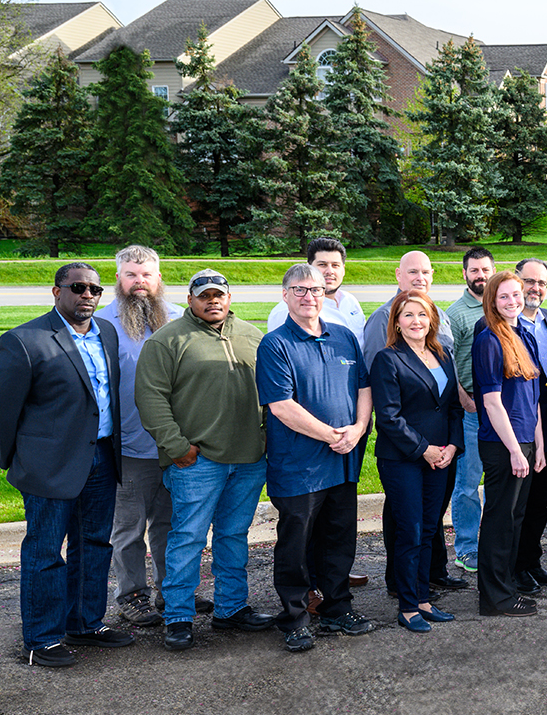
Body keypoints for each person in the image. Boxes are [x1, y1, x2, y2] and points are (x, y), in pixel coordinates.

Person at [0, 263, 135, 667]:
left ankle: (84, 623)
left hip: (102, 457)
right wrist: (16, 460)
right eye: (78, 287)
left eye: (95, 289)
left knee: (94, 545)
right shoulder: (24, 340)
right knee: (46, 552)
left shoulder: (106, 331)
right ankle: (41, 639)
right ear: (56, 291)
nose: (88, 295)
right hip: (47, 465)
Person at [133, 268, 273, 651]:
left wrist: (264, 437)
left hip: (248, 459)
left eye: (219, 295)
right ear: (191, 300)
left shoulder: (252, 336)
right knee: (188, 538)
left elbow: (274, 390)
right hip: (197, 462)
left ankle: (230, 609)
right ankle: (178, 616)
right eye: (204, 295)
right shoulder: (167, 341)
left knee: (233, 536)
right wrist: (177, 447)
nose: (213, 301)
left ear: (229, 298)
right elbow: (151, 398)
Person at [255, 264, 376, 652]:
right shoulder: (275, 345)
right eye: (300, 290)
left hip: (342, 461)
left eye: (317, 290)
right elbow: (280, 406)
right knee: (296, 544)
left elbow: (364, 388)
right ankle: (294, 617)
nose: (309, 297)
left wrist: (357, 431)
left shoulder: (342, 337)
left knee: (339, 539)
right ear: (285, 294)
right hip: (299, 466)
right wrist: (331, 436)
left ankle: (337, 607)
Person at [362, 249, 462, 597]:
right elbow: (387, 406)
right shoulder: (385, 340)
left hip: (441, 452)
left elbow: (449, 403)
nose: (416, 320)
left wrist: (451, 445)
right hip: (406, 452)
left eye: (426, 272)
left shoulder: (441, 347)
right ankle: (404, 592)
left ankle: (426, 584)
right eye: (409, 315)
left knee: (428, 525)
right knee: (409, 526)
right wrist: (424, 449)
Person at [99, 245, 183, 627]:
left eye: (147, 274)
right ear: (118, 278)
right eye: (132, 274)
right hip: (128, 447)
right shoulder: (102, 325)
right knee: (128, 529)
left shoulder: (180, 319)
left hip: (176, 447)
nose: (140, 282)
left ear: (159, 278)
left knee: (172, 525)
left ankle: (173, 591)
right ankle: (132, 595)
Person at [472, 272, 547, 618]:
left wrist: (539, 446)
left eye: (516, 294)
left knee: (516, 518)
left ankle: (506, 587)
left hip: (527, 440)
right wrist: (516, 450)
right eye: (504, 296)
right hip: (503, 445)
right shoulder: (489, 339)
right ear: (492, 300)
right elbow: (491, 402)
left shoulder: (524, 335)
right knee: (500, 520)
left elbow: (533, 399)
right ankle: (494, 598)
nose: (513, 301)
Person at [512, 258, 547, 593]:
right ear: (516, 282)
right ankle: (513, 567)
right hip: (518, 426)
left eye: (542, 283)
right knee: (518, 501)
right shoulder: (502, 324)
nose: (535, 289)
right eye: (529, 281)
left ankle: (532, 561)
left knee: (541, 499)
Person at [446, 246, 495, 574]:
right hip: (472, 409)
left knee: (500, 479)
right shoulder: (455, 313)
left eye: (485, 270)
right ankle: (466, 548)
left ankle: (495, 543)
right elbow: (447, 361)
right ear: (464, 274)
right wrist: (463, 397)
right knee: (468, 483)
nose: (480, 276)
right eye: (474, 271)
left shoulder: (502, 305)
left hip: (502, 408)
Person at [266, 237, 367, 338]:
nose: (330, 271)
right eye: (322, 265)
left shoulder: (350, 301)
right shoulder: (290, 310)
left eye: (335, 265)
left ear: (343, 269)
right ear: (309, 267)